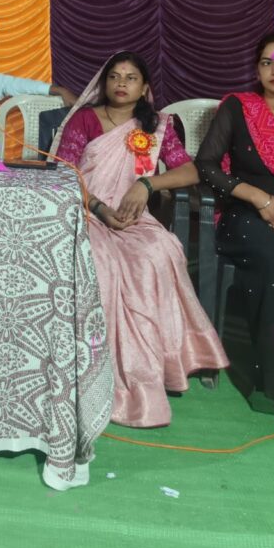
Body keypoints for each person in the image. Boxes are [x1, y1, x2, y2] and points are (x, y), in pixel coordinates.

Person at [54, 51, 227, 428]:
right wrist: (100, 209)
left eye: (130, 77)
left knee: (161, 251)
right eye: (114, 76)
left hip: (135, 217)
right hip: (85, 212)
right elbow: (65, 175)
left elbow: (189, 172)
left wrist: (147, 184)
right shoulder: (86, 119)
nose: (121, 83)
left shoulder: (156, 125)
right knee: (100, 262)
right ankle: (92, 370)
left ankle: (153, 365)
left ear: (145, 87)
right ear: (104, 83)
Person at [196, 30, 274, 438]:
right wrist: (260, 198)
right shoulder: (239, 108)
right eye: (267, 62)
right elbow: (206, 166)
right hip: (246, 217)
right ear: (256, 69)